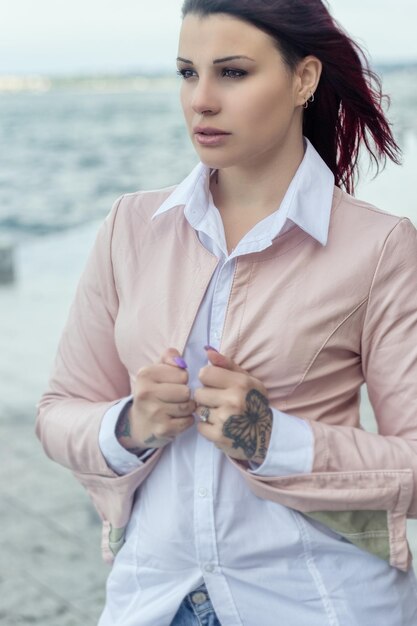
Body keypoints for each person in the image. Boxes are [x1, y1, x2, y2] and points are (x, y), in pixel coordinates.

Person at [36, 0, 417, 624]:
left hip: (315, 602)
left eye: (233, 72)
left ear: (304, 79)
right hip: (150, 602)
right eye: (188, 72)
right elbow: (58, 413)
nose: (201, 100)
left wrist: (274, 440)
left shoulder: (379, 248)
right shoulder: (130, 226)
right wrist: (128, 426)